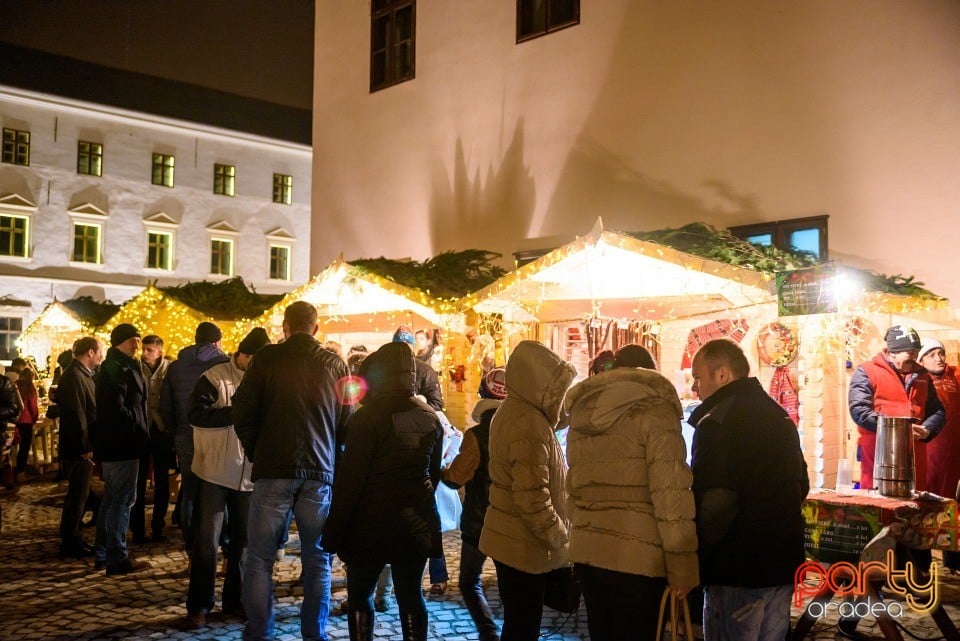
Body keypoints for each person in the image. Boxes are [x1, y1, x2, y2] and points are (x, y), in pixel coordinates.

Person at [234, 301, 353, 641]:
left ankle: (259, 632)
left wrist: (257, 450)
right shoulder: (335, 364)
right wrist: (333, 460)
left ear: (285, 328)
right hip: (318, 472)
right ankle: (314, 635)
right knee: (317, 560)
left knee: (259, 558)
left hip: (273, 470)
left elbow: (242, 411)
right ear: (316, 329)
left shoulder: (266, 359)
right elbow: (348, 422)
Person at [564, 345, 699, 641]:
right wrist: (682, 568)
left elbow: (573, 486)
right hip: (638, 559)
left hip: (588, 554)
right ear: (649, 372)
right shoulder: (657, 411)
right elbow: (670, 495)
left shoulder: (581, 414)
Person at [687, 339, 808, 641]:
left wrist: (700, 553)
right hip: (782, 564)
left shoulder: (717, 422)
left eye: (698, 377)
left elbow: (716, 502)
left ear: (722, 375)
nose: (694, 388)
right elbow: (801, 484)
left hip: (737, 569)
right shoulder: (778, 416)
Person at [323, 342, 443, 641]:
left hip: (369, 524)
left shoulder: (366, 419)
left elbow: (351, 481)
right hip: (415, 522)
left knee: (361, 595)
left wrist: (334, 531)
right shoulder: (430, 417)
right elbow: (434, 473)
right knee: (411, 596)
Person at [480, 340, 576, 641]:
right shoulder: (528, 423)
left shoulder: (514, 411)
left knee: (519, 622)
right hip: (522, 543)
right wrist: (561, 537)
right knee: (523, 626)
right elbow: (532, 498)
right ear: (540, 384)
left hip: (512, 539)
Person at [184, 327, 271, 629]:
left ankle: (237, 601)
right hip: (214, 472)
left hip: (249, 477)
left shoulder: (264, 382)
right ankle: (199, 605)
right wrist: (236, 413)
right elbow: (196, 415)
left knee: (244, 544)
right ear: (244, 355)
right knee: (207, 542)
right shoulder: (214, 377)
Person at [441, 367, 507, 641]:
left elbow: (456, 479)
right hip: (512, 522)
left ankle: (488, 632)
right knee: (512, 584)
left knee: (469, 582)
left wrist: (441, 469)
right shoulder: (523, 431)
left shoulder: (477, 436)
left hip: (479, 523)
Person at [160, 321, 229, 553]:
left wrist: (175, 430)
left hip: (185, 434)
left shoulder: (176, 367)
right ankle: (219, 543)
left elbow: (165, 405)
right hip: (216, 435)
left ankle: (191, 545)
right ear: (216, 341)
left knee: (189, 490)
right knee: (220, 488)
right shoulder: (224, 363)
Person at [849, 325, 945, 489]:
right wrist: (900, 429)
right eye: (910, 353)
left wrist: (927, 429)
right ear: (892, 352)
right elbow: (859, 411)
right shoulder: (866, 371)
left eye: (916, 352)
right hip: (879, 456)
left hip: (914, 457)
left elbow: (939, 412)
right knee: (880, 508)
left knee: (914, 510)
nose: (914, 357)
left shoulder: (922, 374)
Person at [92, 323, 151, 576]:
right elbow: (115, 407)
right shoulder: (117, 367)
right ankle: (117, 557)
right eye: (132, 341)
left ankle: (104, 552)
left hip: (119, 442)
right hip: (123, 442)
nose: (137, 345)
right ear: (119, 343)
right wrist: (136, 425)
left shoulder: (121, 365)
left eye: (138, 340)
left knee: (112, 498)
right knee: (123, 499)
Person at [393, 325, 448, 594]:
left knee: (428, 512)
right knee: (424, 514)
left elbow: (437, 404)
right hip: (401, 445)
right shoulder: (388, 370)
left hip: (420, 445)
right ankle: (399, 579)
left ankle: (437, 575)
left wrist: (419, 405)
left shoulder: (424, 371)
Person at [917, 338, 960, 571]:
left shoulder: (955, 377)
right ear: (921, 359)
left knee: (953, 508)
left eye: (941, 353)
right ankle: (921, 564)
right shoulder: (918, 381)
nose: (939, 358)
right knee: (925, 510)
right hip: (928, 456)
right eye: (931, 354)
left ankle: (953, 561)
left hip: (954, 458)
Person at [57, 337, 102, 557]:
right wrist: (84, 446)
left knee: (81, 496)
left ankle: (72, 537)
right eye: (99, 351)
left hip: (80, 446)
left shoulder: (80, 374)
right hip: (78, 449)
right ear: (91, 353)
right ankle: (70, 541)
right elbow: (77, 415)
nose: (101, 356)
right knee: (77, 497)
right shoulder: (74, 376)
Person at [131, 334, 173, 543]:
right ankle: (138, 529)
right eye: (144, 349)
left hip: (162, 430)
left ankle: (158, 526)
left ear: (159, 352)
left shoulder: (170, 369)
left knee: (162, 480)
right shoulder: (136, 368)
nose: (145, 353)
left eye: (150, 350)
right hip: (141, 428)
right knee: (138, 480)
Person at [14, 368, 38, 482]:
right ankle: (20, 473)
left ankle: (12, 471)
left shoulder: (15, 386)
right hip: (26, 421)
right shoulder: (30, 388)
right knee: (24, 448)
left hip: (15, 421)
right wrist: (35, 418)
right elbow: (33, 406)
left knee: (11, 447)